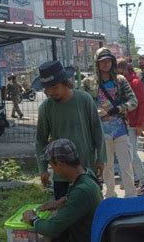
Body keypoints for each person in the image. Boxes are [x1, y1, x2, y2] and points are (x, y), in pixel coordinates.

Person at [33, 61, 106, 200]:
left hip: (86, 169)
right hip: (61, 175)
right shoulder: (46, 108)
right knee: (65, 214)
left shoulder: (85, 100)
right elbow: (40, 140)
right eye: (47, 88)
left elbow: (98, 132)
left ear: (65, 82)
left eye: (54, 87)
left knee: (91, 212)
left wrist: (101, 159)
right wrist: (42, 169)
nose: (50, 92)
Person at [82, 48, 138, 198]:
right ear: (97, 63)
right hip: (101, 131)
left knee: (126, 164)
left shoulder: (120, 80)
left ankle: (131, 195)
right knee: (106, 167)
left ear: (112, 62)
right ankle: (110, 195)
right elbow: (84, 104)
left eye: (108, 61)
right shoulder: (88, 82)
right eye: (102, 61)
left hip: (120, 128)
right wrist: (96, 112)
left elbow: (134, 101)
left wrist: (118, 109)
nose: (106, 64)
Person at [23, 139, 102, 242]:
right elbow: (83, 199)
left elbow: (52, 229)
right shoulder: (88, 174)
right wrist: (64, 200)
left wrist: (33, 219)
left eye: (52, 165)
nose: (53, 170)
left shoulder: (81, 191)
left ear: (60, 164)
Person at [116, 58, 144, 195]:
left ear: (124, 69)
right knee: (126, 154)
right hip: (123, 124)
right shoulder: (120, 83)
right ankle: (135, 180)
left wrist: (139, 125)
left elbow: (143, 104)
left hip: (132, 124)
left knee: (132, 155)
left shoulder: (136, 83)